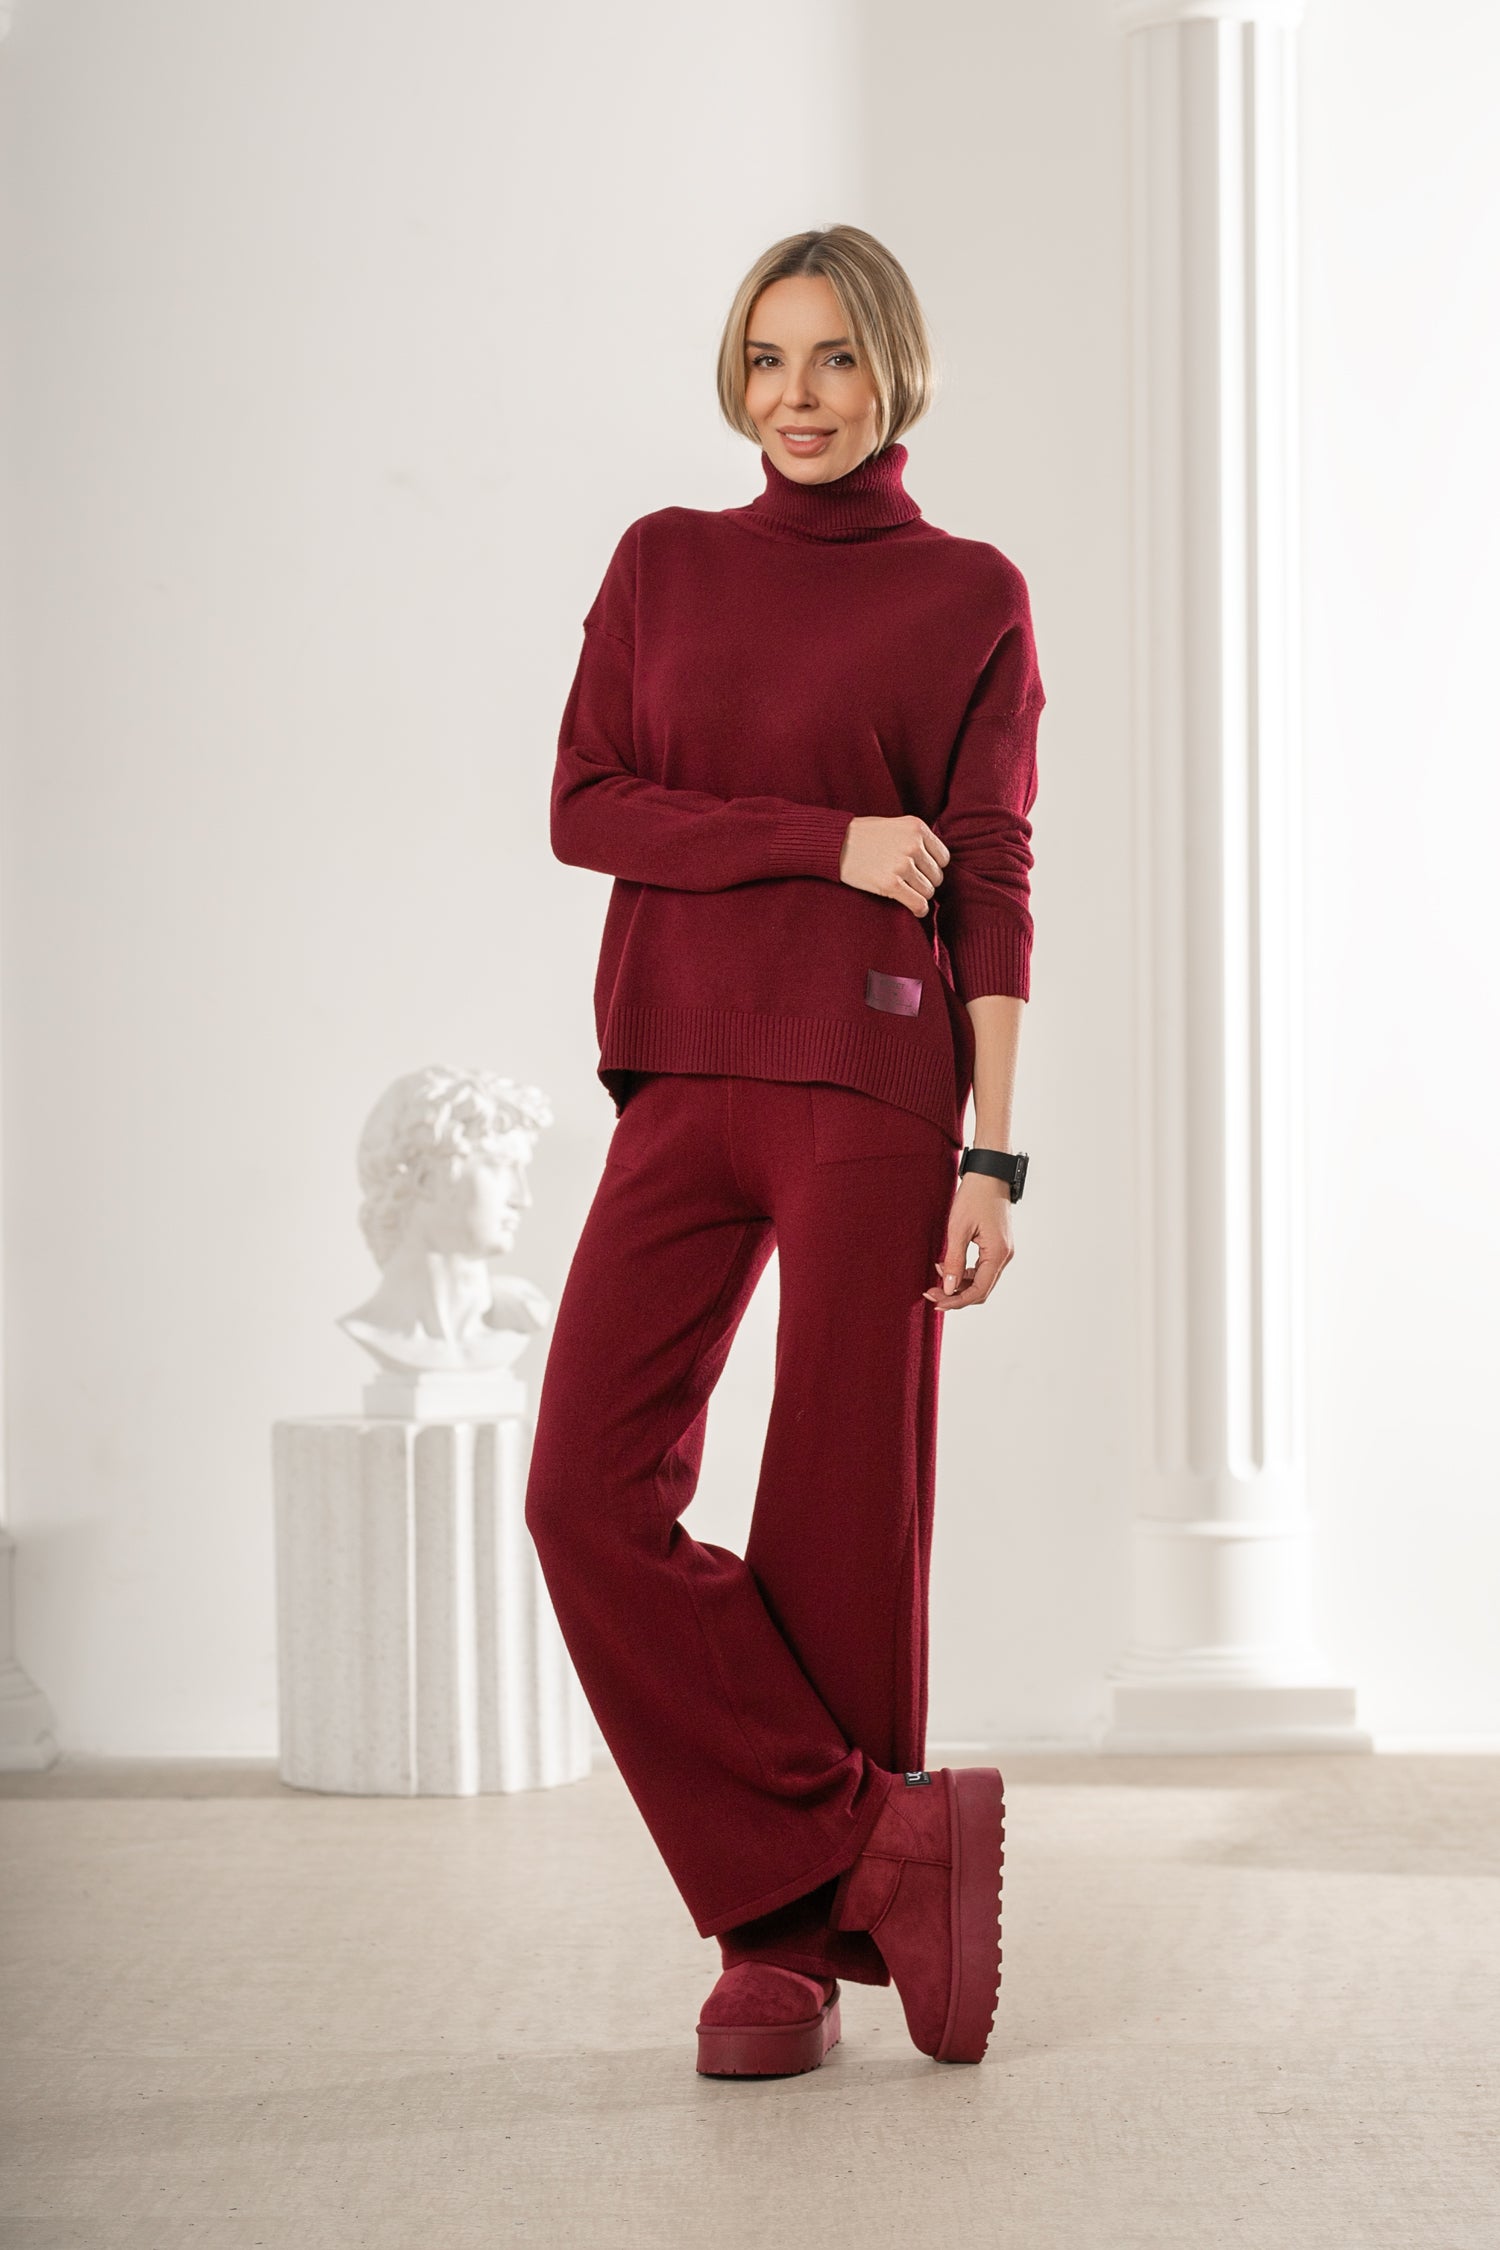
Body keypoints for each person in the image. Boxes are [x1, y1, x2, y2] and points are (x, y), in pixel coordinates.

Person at [524, 222, 1044, 2079]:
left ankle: (786, 1946)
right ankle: (874, 1846)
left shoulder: (970, 592)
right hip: (681, 1067)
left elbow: (992, 878)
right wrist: (823, 840)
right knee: (584, 1492)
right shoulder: (662, 562)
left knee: (841, 1506)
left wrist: (994, 1158)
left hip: (876, 1083)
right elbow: (588, 805)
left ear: (893, 367)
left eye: (832, 358)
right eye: (766, 357)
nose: (797, 397)